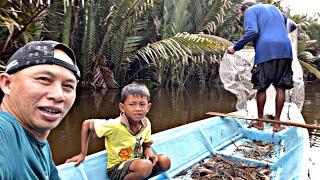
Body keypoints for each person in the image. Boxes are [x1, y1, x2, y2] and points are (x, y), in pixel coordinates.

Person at [0, 40, 80, 179]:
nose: (58, 96)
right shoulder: (3, 133)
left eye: (68, 86)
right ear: (7, 84)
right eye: (43, 79)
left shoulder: (39, 141)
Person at [66, 83, 171, 180]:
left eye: (142, 104)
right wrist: (82, 153)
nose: (138, 109)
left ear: (148, 107)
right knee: (145, 166)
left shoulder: (146, 122)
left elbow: (146, 144)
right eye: (132, 104)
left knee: (165, 161)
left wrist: (149, 152)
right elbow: (87, 124)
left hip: (138, 164)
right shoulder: (114, 125)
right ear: (122, 107)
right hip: (117, 168)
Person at [227, 0, 294, 132]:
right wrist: (278, 35)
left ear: (245, 8)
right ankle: (277, 124)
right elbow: (292, 26)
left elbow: (252, 32)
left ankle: (260, 122)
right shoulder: (275, 9)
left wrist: (235, 47)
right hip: (285, 49)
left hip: (266, 50)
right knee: (280, 87)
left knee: (261, 87)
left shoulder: (250, 11)